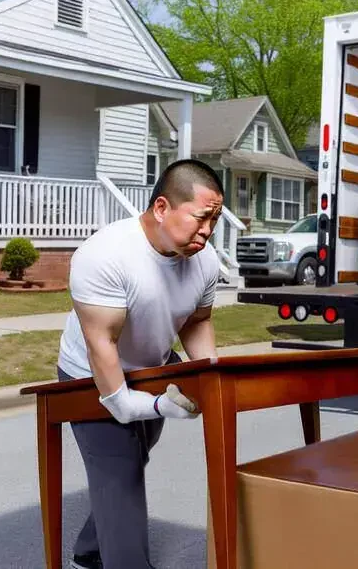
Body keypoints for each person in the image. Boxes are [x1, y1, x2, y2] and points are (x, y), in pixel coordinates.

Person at [56, 159, 223, 569]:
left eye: (214, 219)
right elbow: (104, 349)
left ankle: (89, 550)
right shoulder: (104, 255)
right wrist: (148, 407)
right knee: (121, 467)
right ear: (162, 208)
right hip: (92, 372)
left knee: (134, 458)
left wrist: (212, 377)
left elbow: (197, 321)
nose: (208, 230)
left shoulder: (205, 259)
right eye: (201, 217)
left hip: (156, 365)